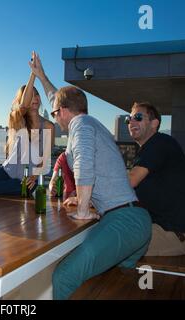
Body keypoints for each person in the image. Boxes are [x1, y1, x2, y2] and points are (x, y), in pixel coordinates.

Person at [30, 53, 152, 300]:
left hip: (124, 222)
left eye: (54, 114)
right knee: (110, 284)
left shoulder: (80, 126)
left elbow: (84, 164)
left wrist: (84, 208)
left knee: (63, 276)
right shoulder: (90, 122)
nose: (54, 118)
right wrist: (41, 76)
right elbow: (57, 97)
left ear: (63, 112)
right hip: (134, 220)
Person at [127, 102, 185, 256]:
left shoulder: (160, 142)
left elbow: (130, 181)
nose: (131, 122)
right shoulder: (147, 151)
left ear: (154, 124)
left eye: (138, 117)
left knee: (109, 246)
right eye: (129, 119)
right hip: (160, 228)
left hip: (175, 234)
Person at [0, 52, 55, 195]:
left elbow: (45, 158)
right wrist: (34, 74)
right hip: (6, 171)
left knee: (3, 188)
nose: (35, 98)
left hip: (27, 180)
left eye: (37, 94)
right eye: (30, 95)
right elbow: (24, 106)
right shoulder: (17, 118)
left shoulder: (48, 126)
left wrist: (35, 175)